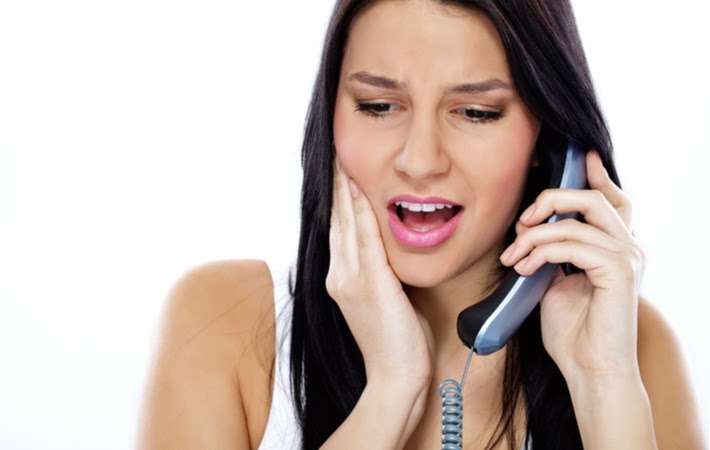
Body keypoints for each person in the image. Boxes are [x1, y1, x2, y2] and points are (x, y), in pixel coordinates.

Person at [137, 0, 705, 448]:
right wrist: (391, 392)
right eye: (378, 106)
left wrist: (602, 382)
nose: (420, 159)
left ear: (550, 143)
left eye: (477, 112)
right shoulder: (222, 321)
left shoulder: (630, 344)